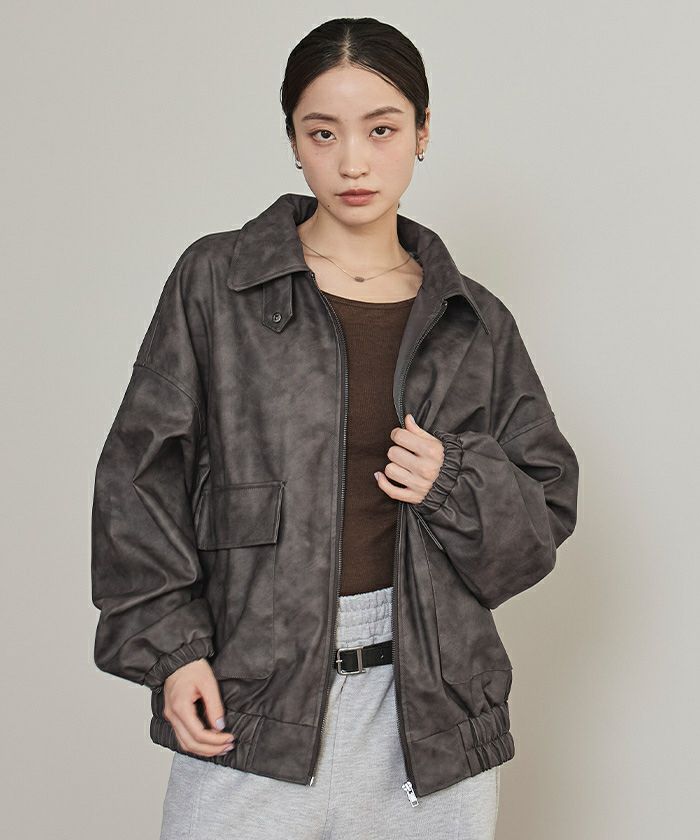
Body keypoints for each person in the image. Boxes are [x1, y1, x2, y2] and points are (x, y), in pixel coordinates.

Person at [91, 16, 579, 840]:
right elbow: (137, 481)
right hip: (252, 692)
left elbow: (537, 529)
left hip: (433, 715)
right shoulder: (219, 283)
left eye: (381, 130)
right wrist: (173, 651)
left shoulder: (475, 323)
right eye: (323, 133)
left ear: (422, 132)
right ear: (293, 140)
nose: (353, 162)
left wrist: (453, 480)